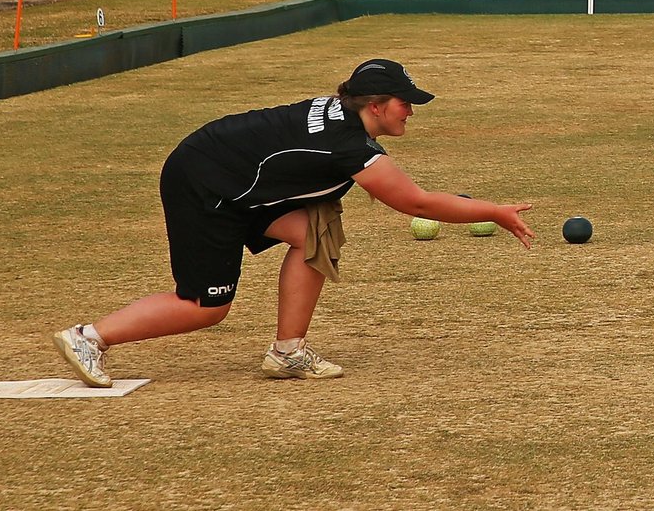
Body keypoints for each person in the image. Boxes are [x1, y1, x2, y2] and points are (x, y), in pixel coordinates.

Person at [52, 59, 535, 386]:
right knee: (204, 307)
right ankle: (89, 337)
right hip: (207, 183)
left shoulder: (347, 119)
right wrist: (494, 211)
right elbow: (417, 203)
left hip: (229, 171)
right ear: (375, 105)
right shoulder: (350, 142)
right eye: (404, 102)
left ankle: (287, 353)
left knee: (314, 234)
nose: (411, 110)